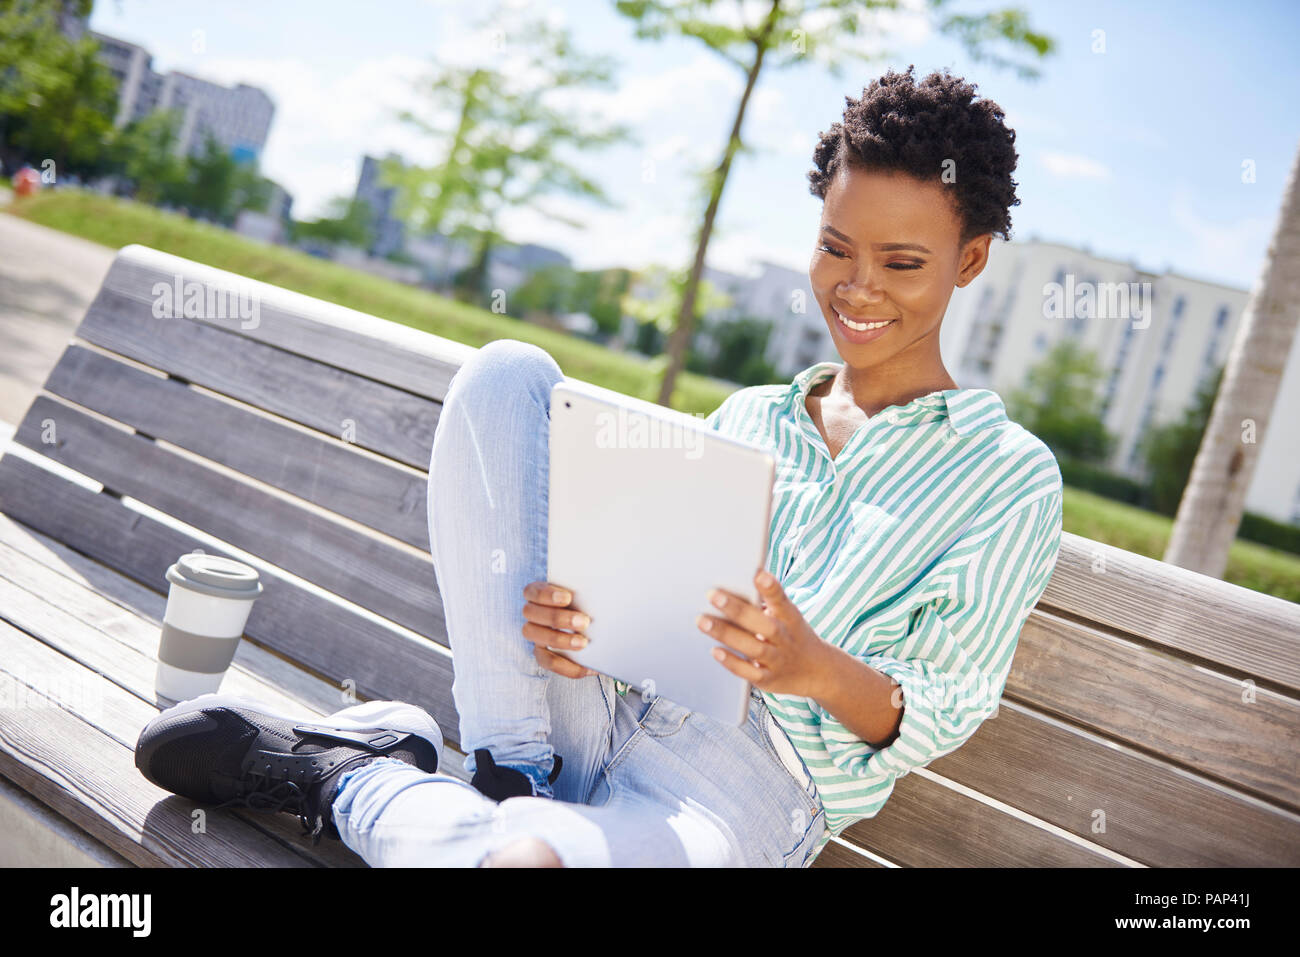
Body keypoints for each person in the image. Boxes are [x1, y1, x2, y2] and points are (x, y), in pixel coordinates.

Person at [134, 64, 1063, 868]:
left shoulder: (1009, 479)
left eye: (902, 262)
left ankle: (356, 780)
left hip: (742, 790)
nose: (858, 287)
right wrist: (577, 619)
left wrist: (811, 665)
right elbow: (647, 588)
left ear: (970, 260)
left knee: (525, 861)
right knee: (506, 375)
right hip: (576, 717)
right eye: (834, 247)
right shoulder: (749, 417)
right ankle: (507, 775)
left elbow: (943, 704)